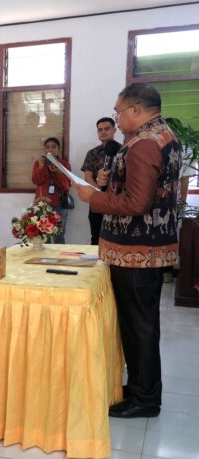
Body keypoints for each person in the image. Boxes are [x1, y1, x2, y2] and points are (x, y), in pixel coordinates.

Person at [75, 83, 181, 418]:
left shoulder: (144, 143)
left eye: (118, 112)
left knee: (139, 327)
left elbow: (137, 203)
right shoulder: (164, 136)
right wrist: (110, 183)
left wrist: (94, 198)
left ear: (135, 109)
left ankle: (145, 399)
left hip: (137, 251)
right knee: (141, 325)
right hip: (148, 247)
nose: (117, 119)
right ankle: (140, 389)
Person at [80, 117, 121, 245]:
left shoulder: (124, 150)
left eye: (107, 129)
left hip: (117, 201)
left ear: (114, 130)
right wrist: (98, 191)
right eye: (100, 130)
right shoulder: (92, 153)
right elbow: (88, 177)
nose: (103, 132)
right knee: (96, 236)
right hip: (97, 199)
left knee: (117, 237)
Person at [31, 137, 71, 243]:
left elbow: (66, 186)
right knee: (44, 235)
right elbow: (37, 181)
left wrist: (57, 172)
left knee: (59, 235)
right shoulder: (39, 163)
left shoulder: (64, 164)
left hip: (60, 205)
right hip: (42, 204)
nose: (50, 150)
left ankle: (60, 254)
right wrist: (42, 167)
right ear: (44, 149)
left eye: (53, 147)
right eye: (47, 147)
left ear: (58, 149)